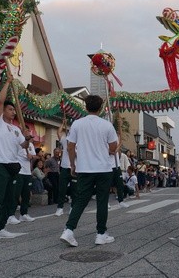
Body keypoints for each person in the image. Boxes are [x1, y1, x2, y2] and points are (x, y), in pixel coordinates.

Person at [0, 72, 34, 245]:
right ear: (3, 111)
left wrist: (27, 138)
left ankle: (0, 228)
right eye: (10, 109)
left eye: (13, 109)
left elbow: (23, 147)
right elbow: (1, 101)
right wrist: (8, 82)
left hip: (13, 166)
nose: (12, 112)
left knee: (10, 200)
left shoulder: (17, 129)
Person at [59, 95, 118, 247]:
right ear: (100, 108)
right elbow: (113, 148)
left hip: (84, 168)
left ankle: (69, 230)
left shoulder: (77, 124)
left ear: (85, 107)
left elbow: (70, 147)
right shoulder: (107, 125)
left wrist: (72, 164)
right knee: (102, 201)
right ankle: (100, 234)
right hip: (103, 168)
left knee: (80, 200)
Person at [6, 140, 37, 224]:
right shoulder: (17, 143)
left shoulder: (30, 144)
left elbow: (34, 156)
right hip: (19, 171)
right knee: (16, 194)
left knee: (26, 194)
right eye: (26, 131)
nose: (28, 134)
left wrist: (31, 156)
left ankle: (24, 214)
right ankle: (10, 215)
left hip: (27, 172)